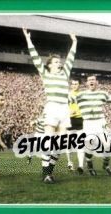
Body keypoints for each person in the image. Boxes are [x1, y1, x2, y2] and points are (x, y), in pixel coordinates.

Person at [23, 28, 77, 184]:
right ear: (49, 65)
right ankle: (46, 174)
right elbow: (34, 57)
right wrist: (28, 39)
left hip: (64, 109)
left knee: (60, 145)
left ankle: (48, 172)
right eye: (56, 62)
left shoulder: (64, 73)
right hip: (52, 107)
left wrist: (74, 42)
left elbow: (71, 59)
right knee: (48, 141)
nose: (59, 64)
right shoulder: (45, 73)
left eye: (59, 62)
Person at [74, 75, 111, 176]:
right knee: (89, 147)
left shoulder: (103, 94)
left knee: (107, 144)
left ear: (97, 82)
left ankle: (105, 165)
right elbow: (68, 101)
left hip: (100, 122)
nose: (91, 81)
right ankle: (90, 166)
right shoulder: (81, 95)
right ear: (86, 83)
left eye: (93, 80)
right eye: (89, 80)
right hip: (88, 123)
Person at [68, 78, 84, 174]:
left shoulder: (82, 95)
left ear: (79, 85)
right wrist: (68, 112)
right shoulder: (67, 95)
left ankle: (81, 165)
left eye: (76, 84)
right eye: (73, 84)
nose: (74, 85)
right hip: (69, 120)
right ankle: (70, 163)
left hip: (80, 119)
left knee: (80, 143)